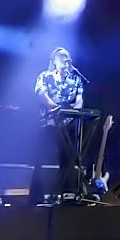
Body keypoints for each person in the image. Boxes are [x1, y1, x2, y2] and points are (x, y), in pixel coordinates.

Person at [33, 47, 87, 200]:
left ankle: (64, 194)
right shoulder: (45, 76)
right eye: (61, 56)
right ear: (54, 61)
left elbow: (79, 99)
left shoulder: (76, 79)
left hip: (68, 124)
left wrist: (76, 111)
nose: (65, 59)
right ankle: (37, 194)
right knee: (43, 158)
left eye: (67, 56)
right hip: (48, 123)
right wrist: (54, 108)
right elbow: (41, 94)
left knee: (67, 159)